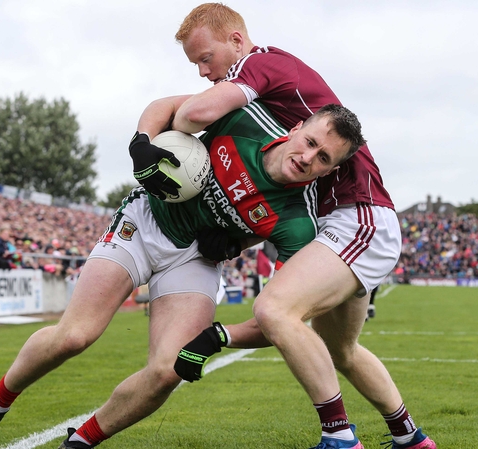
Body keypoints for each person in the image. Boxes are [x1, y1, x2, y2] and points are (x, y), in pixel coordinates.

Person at [0, 101, 365, 449]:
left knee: (169, 369)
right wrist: (141, 144)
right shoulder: (244, 119)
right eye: (311, 142)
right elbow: (167, 107)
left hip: (196, 262)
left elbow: (279, 320)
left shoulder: (298, 224)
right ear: (296, 128)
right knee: (75, 335)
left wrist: (219, 333)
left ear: (329, 171)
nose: (309, 157)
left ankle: (79, 442)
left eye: (324, 158)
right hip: (145, 222)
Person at [168, 4, 435, 449]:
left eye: (205, 58)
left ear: (236, 41)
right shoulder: (273, 97)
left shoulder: (257, 64)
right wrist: (240, 238)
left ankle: (341, 437)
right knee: (340, 350)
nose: (203, 71)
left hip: (358, 217)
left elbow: (193, 114)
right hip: (345, 221)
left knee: (275, 309)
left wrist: (160, 141)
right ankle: (411, 439)